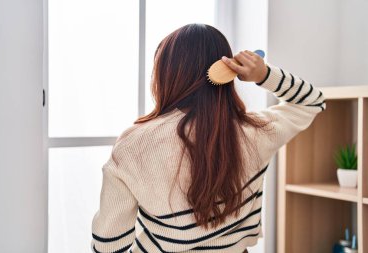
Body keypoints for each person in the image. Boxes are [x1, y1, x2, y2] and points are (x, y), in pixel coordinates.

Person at [90, 23, 326, 253]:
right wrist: (264, 74)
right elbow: (312, 101)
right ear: (227, 72)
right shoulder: (256, 132)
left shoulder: (135, 144)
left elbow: (109, 244)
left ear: (165, 74)